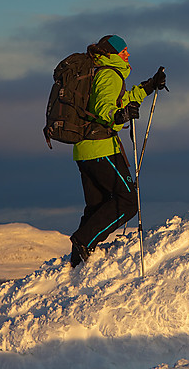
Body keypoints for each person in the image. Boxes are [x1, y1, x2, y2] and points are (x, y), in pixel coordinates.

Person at [69, 34, 166, 267]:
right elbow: (105, 107)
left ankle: (77, 263)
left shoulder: (101, 72)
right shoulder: (109, 74)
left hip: (85, 150)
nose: (128, 54)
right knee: (128, 201)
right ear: (112, 54)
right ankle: (83, 242)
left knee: (98, 205)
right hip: (101, 148)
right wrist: (118, 116)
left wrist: (149, 86)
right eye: (124, 51)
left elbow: (121, 100)